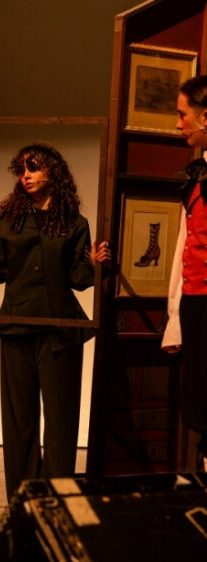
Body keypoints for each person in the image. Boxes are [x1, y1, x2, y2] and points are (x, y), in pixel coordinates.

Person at [0, 143, 110, 499]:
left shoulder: (74, 223)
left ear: (52, 172)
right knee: (19, 421)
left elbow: (79, 278)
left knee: (60, 422)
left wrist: (99, 264)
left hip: (60, 330)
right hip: (17, 326)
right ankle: (23, 499)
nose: (26, 175)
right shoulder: (10, 220)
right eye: (21, 169)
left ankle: (58, 498)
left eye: (34, 168)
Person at [162, 74, 207, 473]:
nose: (178, 124)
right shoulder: (195, 177)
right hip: (197, 305)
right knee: (201, 412)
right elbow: (183, 248)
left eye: (182, 115)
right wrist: (175, 319)